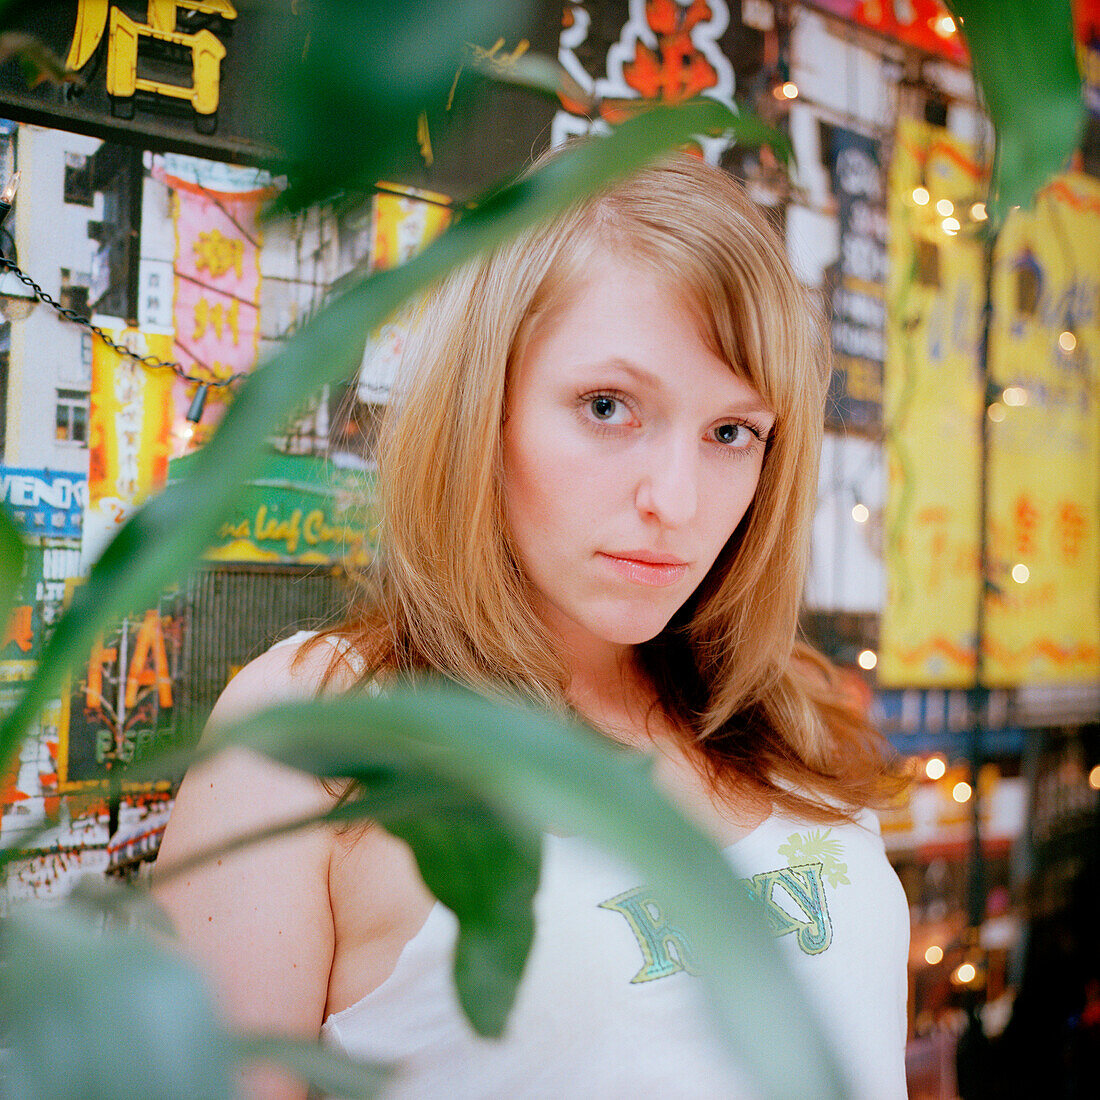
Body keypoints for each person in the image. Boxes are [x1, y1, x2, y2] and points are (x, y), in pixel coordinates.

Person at [154, 152, 909, 1098]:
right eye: (608, 407)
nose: (675, 501)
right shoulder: (326, 727)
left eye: (731, 432)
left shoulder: (783, 705)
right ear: (484, 408)